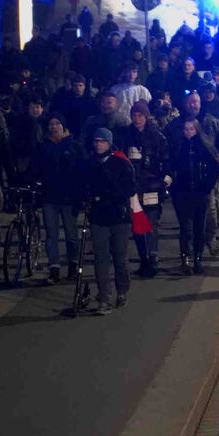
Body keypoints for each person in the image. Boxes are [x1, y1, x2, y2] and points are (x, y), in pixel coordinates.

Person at [29, 113, 86, 283]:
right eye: (51, 124)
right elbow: (35, 169)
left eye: (57, 123)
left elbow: (82, 171)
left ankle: (73, 264)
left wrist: (81, 194)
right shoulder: (43, 147)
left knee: (71, 234)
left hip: (69, 198)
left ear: (63, 126)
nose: (54, 127)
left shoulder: (74, 146)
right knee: (51, 235)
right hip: (49, 198)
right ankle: (54, 267)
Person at [84, 128, 136, 313]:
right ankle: (104, 297)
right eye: (96, 141)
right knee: (101, 259)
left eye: (102, 141)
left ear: (109, 143)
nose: (99, 144)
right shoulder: (90, 163)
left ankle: (122, 290)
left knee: (120, 257)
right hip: (98, 217)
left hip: (118, 216)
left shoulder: (121, 163)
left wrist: (110, 194)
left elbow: (130, 188)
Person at [115, 100, 169, 278]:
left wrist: (165, 178)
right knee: (138, 225)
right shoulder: (125, 136)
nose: (137, 119)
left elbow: (165, 160)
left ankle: (152, 256)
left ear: (146, 117)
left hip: (152, 187)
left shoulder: (157, 137)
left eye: (140, 115)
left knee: (151, 224)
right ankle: (143, 258)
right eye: (134, 115)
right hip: (133, 189)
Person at [168, 116, 219, 275]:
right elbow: (170, 166)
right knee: (185, 228)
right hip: (182, 194)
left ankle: (198, 259)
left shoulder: (204, 147)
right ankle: (185, 259)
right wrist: (174, 186)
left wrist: (207, 186)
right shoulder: (178, 147)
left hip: (200, 194)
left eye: (191, 129)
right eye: (185, 129)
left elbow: (215, 168)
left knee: (199, 228)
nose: (188, 132)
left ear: (197, 130)